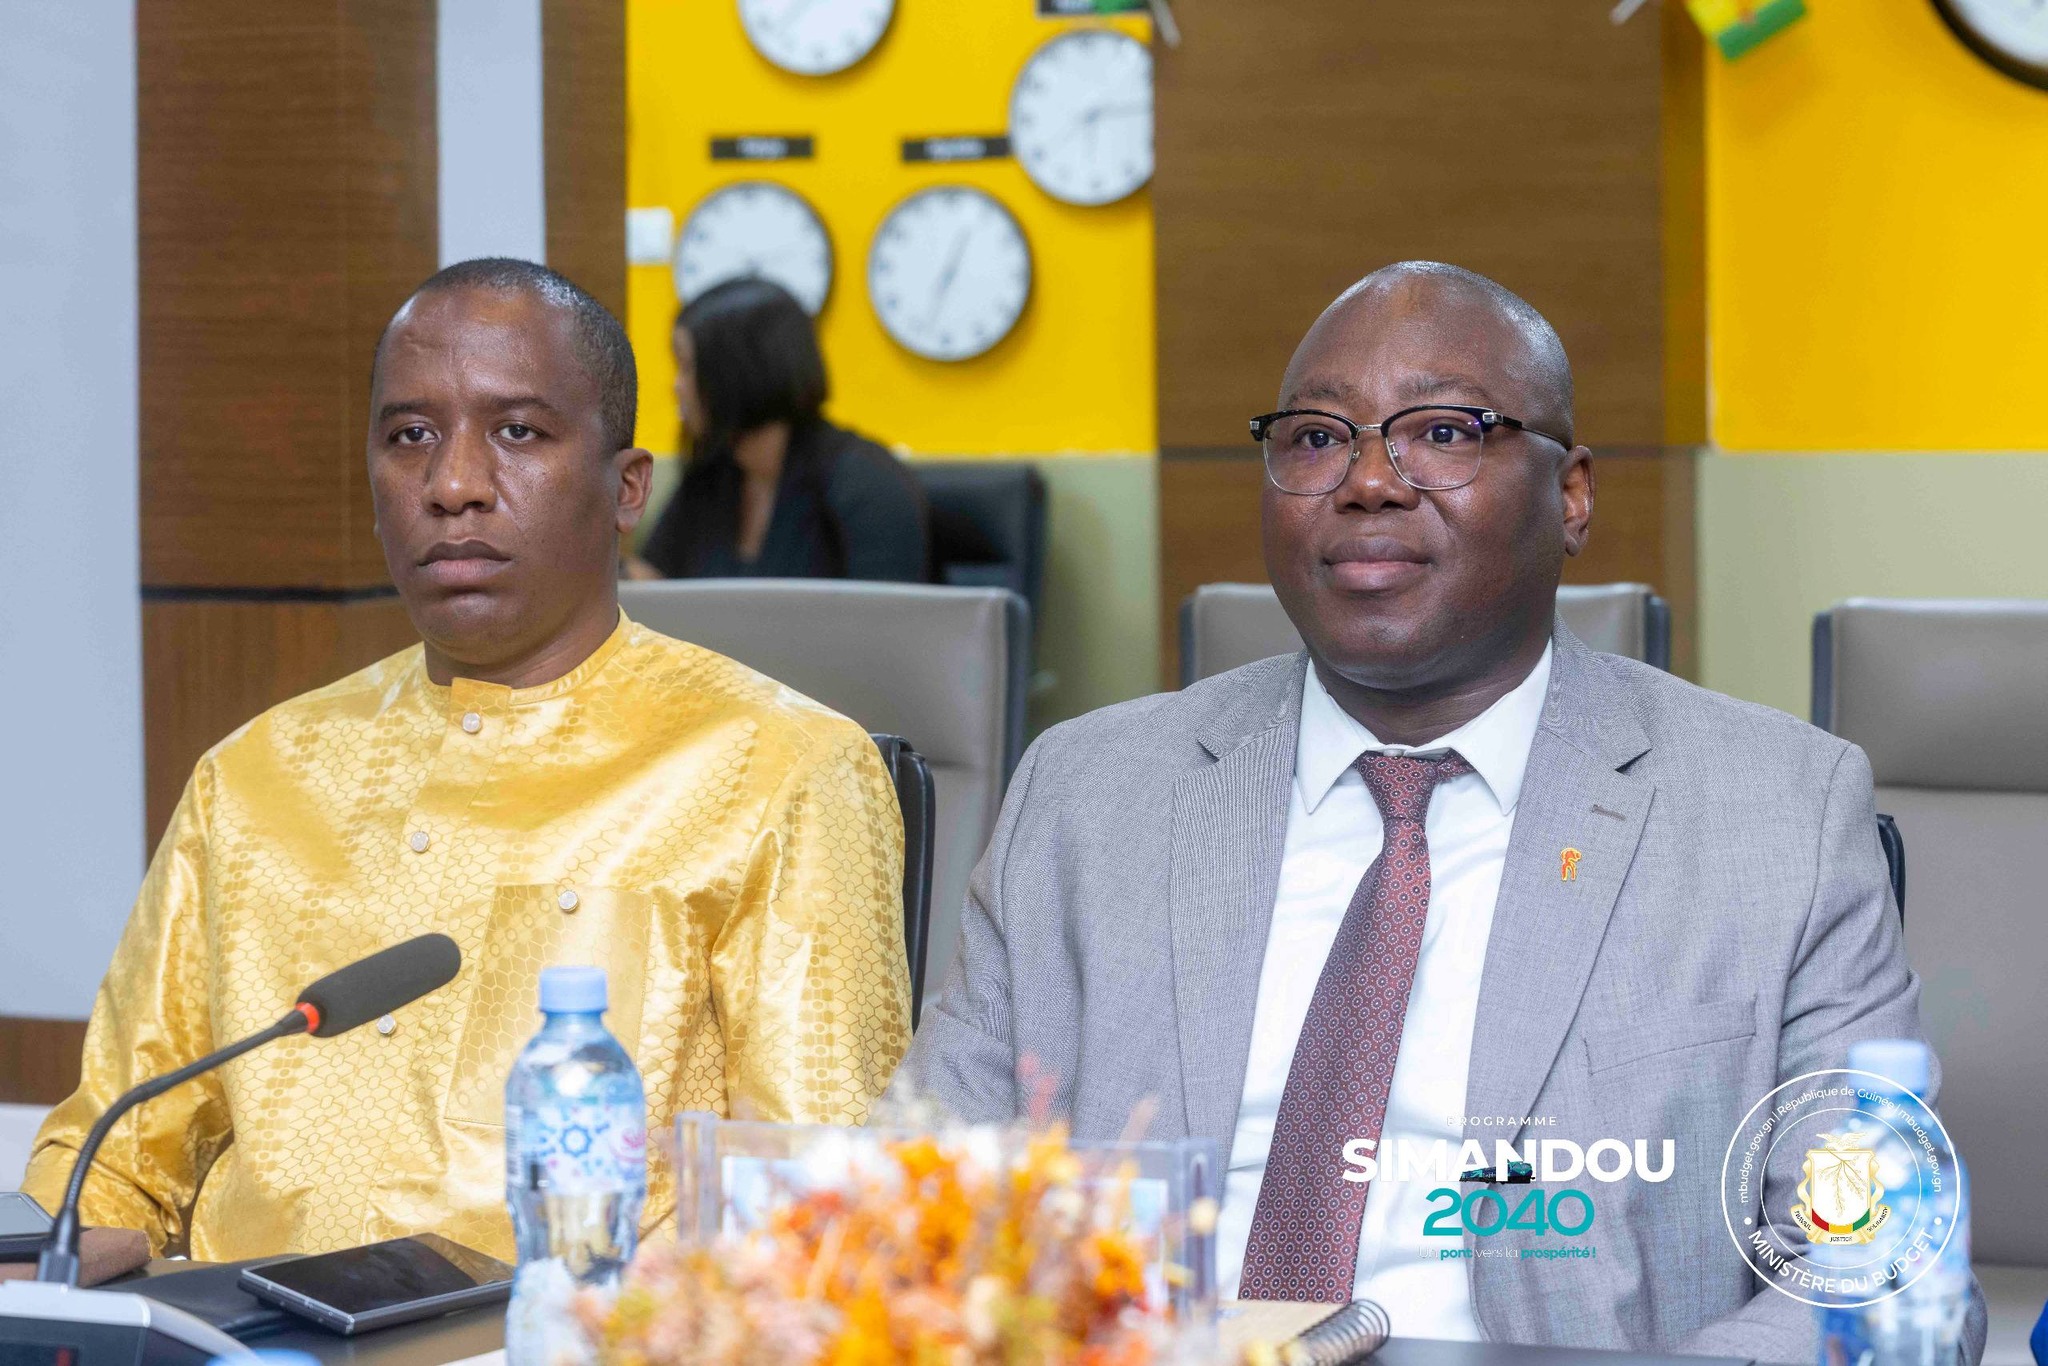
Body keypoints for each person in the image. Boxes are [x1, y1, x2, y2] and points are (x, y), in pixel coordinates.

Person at [892, 262, 1985, 1362]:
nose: (1368, 480)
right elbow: (912, 1209)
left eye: (1445, 432)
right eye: (1316, 438)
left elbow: (1878, 1266)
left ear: (1571, 495)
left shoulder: (1777, 814)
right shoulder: (1085, 795)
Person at [22, 259, 912, 1264]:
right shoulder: (255, 775)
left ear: (626, 488)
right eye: (411, 436)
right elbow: (112, 1159)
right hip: (241, 1328)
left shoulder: (780, 771)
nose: (452, 485)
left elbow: (818, 1217)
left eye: (517, 432)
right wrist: (51, 1265)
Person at [631, 278, 927, 582]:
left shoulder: (867, 484)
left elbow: (888, 609)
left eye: (687, 367)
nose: (677, 386)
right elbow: (652, 580)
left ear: (738, 370)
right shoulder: (712, 477)